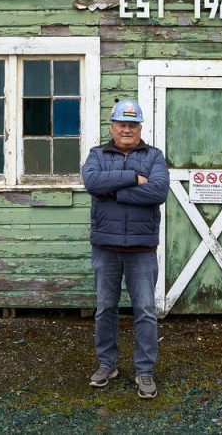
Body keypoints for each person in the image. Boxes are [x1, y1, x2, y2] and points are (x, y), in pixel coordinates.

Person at [80, 99, 170, 400]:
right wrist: (132, 178)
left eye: (132, 125)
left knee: (144, 310)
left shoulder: (154, 156)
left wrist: (113, 191)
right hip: (105, 246)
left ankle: (144, 371)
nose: (127, 129)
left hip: (142, 248)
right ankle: (107, 364)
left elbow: (158, 191)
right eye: (122, 124)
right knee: (105, 308)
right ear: (113, 127)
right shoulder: (97, 154)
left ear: (140, 128)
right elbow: (92, 181)